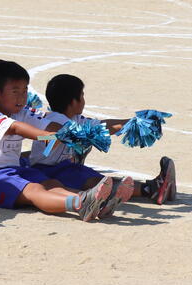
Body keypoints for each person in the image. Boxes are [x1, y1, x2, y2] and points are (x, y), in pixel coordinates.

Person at [0, 60, 113, 221]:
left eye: (24, 91)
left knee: (52, 183)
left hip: (16, 170)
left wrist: (69, 132)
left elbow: (49, 123)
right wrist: (47, 137)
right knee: (35, 190)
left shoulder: (21, 111)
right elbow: (16, 128)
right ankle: (80, 203)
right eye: (15, 91)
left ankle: (93, 202)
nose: (22, 97)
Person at [31, 74, 177, 211]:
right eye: (82, 95)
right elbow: (48, 145)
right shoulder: (55, 120)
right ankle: (151, 189)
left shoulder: (74, 118)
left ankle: (152, 188)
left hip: (64, 166)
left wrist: (133, 122)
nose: (83, 99)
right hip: (47, 170)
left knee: (96, 179)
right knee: (95, 181)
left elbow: (104, 125)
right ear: (73, 102)